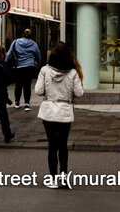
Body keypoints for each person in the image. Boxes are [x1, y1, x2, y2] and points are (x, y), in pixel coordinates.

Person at [35, 42, 83, 188]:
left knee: (52, 145)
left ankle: (53, 179)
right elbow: (79, 93)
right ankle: (64, 176)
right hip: (65, 111)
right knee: (63, 145)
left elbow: (38, 91)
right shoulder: (73, 72)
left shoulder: (45, 70)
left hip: (49, 111)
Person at [5, 28, 41, 110]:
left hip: (18, 67)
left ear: (22, 34)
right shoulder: (34, 44)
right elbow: (38, 55)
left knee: (18, 85)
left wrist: (6, 63)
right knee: (27, 85)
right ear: (31, 36)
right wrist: (38, 63)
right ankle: (27, 104)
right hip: (29, 67)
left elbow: (8, 54)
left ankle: (17, 102)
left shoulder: (16, 42)